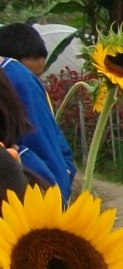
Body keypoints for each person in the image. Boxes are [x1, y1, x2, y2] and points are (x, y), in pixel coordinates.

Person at [0, 23, 77, 193]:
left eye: (38, 76)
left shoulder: (23, 82)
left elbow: (50, 146)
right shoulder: (18, 80)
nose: (34, 81)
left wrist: (62, 173)